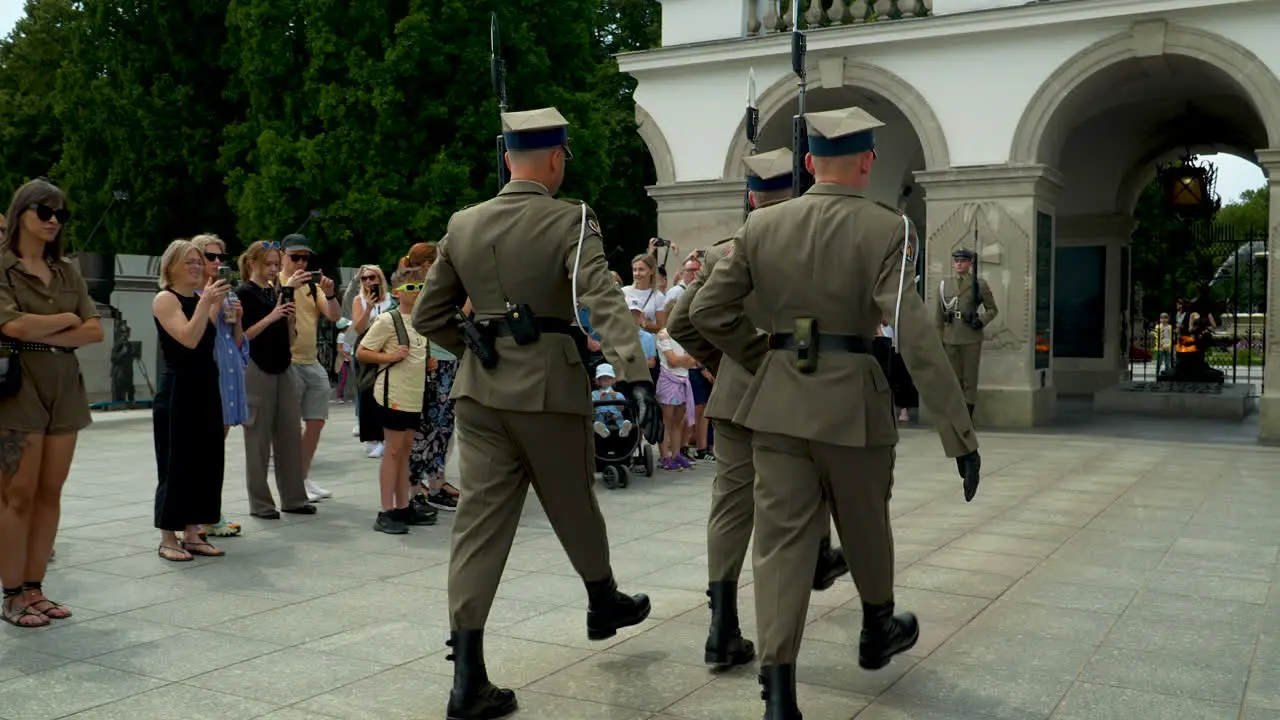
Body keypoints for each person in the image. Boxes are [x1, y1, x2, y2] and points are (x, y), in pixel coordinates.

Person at [688, 106, 982, 718]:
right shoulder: (886, 227)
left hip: (778, 408)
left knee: (779, 546)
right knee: (865, 520)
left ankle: (778, 693)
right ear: (868, 160)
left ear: (809, 163)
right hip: (853, 402)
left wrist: (763, 357)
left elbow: (705, 313)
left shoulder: (762, 228)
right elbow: (913, 330)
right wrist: (958, 431)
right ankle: (877, 625)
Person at [412, 106, 663, 720]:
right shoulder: (571, 219)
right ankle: (602, 601)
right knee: (573, 502)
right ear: (556, 158)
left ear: (507, 158)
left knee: (478, 525)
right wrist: (633, 373)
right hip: (549, 387)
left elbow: (427, 316)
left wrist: (469, 339)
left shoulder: (463, 224)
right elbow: (601, 298)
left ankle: (467, 676)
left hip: (481, 391)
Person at [667, 146, 849, 670]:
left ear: (751, 196)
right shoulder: (821, 246)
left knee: (731, 507)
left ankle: (722, 627)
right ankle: (816, 559)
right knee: (807, 486)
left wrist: (728, 364)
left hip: (735, 396)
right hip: (800, 394)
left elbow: (682, 323)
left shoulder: (728, 249)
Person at [0, 179, 103, 627]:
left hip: (64, 383)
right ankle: (11, 595)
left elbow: (95, 330)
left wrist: (44, 325)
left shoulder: (67, 271)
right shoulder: (2, 267)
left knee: (49, 493)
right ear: (21, 210)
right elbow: (13, 329)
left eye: (61, 215)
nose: (53, 221)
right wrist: (65, 319)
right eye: (44, 211)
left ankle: (35, 588)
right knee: (16, 495)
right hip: (17, 386)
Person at [151, 240, 230, 561]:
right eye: (190, 262)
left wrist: (221, 309)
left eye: (199, 261)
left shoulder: (201, 298)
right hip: (178, 389)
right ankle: (168, 536)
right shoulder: (165, 299)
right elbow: (187, 337)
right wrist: (205, 304)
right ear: (171, 267)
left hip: (206, 385)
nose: (198, 267)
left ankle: (194, 531)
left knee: (207, 460)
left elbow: (210, 340)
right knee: (175, 462)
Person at [235, 241, 315, 519]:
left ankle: (294, 498)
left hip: (284, 367)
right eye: (268, 264)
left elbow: (290, 339)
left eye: (275, 264)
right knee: (258, 439)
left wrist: (290, 321)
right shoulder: (243, 293)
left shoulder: (277, 292)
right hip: (256, 368)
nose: (273, 269)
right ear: (252, 264)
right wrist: (273, 316)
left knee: (290, 434)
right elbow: (243, 337)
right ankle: (261, 504)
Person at [358, 266, 435, 534]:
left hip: (415, 393)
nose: (418, 292)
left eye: (422, 287)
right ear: (396, 293)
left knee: (405, 451)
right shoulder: (388, 321)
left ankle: (403, 506)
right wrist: (389, 357)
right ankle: (386, 510)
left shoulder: (422, 321)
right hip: (392, 393)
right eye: (412, 288)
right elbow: (363, 352)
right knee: (392, 451)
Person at [191, 234, 247, 539]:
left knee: (215, 449)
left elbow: (238, 342)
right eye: (209, 256)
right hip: (206, 374)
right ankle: (201, 515)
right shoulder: (193, 294)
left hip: (228, 373)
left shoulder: (226, 294)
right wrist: (211, 301)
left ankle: (211, 512)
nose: (216, 263)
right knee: (202, 449)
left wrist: (238, 319)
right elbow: (201, 334)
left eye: (219, 257)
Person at [279, 233, 339, 501]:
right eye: (295, 257)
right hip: (287, 362)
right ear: (283, 256)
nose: (301, 262)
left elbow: (334, 316)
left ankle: (302, 477)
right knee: (290, 427)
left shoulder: (311, 287)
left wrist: (330, 293)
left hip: (311, 361)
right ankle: (292, 482)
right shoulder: (275, 282)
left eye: (305, 257)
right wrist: (288, 286)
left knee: (316, 421)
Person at [936, 248, 998, 419]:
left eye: (963, 261)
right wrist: (939, 339)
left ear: (970, 263)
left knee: (969, 379)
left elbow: (992, 309)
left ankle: (967, 416)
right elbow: (938, 316)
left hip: (970, 336)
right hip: (950, 336)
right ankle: (955, 414)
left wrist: (981, 320)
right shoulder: (944, 285)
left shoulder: (979, 284)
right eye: (956, 261)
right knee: (952, 379)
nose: (959, 264)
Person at [591, 363, 633, 438]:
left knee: (619, 417)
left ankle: (623, 429)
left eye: (609, 378)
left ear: (613, 380)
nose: (606, 381)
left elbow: (621, 408)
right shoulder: (594, 394)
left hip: (615, 413)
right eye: (603, 379)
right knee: (599, 419)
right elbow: (592, 410)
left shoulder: (618, 394)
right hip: (601, 414)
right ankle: (603, 430)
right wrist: (600, 401)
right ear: (598, 381)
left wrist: (615, 398)